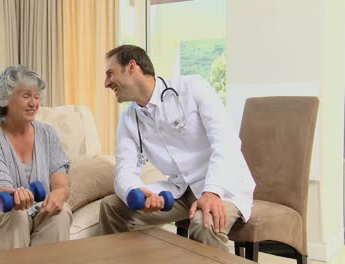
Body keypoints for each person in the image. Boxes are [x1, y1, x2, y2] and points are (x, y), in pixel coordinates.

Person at [99, 45, 255, 251]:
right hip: (180, 189)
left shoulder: (192, 88)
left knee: (204, 224)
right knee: (111, 207)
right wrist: (135, 191)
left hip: (222, 185)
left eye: (110, 73)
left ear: (132, 67)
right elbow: (124, 172)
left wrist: (212, 191)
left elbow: (226, 142)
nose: (106, 83)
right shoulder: (129, 120)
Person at [0, 65, 72, 251]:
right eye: (26, 96)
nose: (34, 103)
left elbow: (61, 185)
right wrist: (16, 196)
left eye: (36, 96)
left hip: (37, 208)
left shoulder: (47, 134)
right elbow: (2, 191)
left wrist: (58, 194)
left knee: (61, 213)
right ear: (5, 99)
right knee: (18, 214)